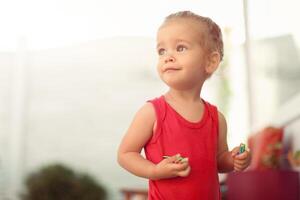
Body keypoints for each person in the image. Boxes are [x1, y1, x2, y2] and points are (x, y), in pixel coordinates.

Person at [117, 10, 251, 200]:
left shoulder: (216, 118)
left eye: (180, 48)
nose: (168, 56)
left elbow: (219, 161)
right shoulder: (152, 113)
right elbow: (125, 154)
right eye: (161, 51)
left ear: (210, 61)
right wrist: (155, 170)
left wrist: (234, 159)